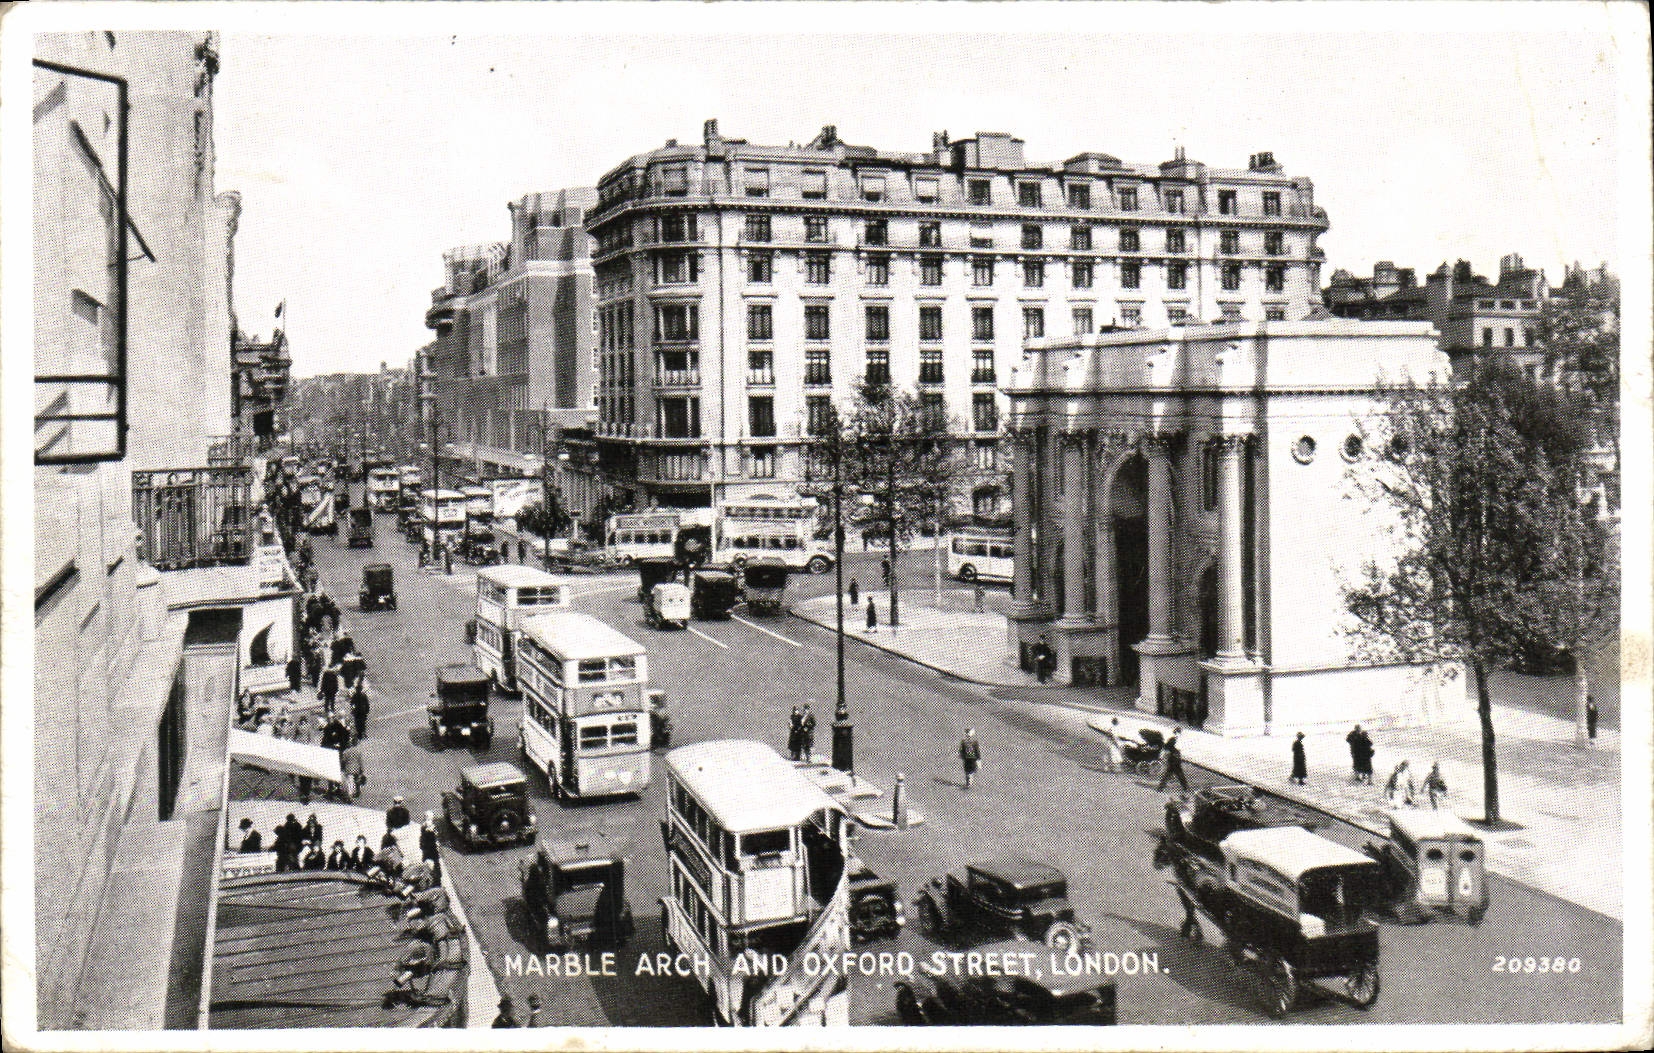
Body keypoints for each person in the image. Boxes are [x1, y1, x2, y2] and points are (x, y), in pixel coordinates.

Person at [419, 811, 443, 885]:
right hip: (432, 849)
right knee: (435, 865)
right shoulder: (432, 827)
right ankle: (436, 881)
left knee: (427, 865)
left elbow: (422, 839)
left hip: (427, 850)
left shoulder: (423, 826)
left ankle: (429, 880)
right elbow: (437, 838)